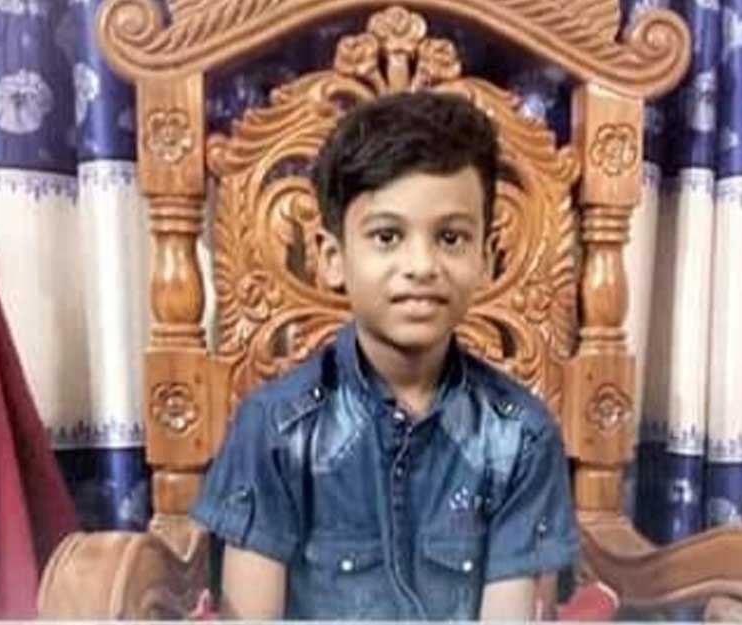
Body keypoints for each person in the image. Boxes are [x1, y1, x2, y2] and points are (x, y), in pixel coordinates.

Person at [190, 91, 579, 620]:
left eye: (451, 237)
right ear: (332, 258)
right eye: (388, 236)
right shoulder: (275, 430)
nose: (421, 265)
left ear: (486, 259)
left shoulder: (520, 437)